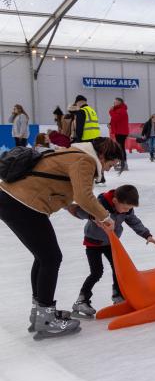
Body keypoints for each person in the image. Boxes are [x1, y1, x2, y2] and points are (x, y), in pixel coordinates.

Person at [0, 136, 122, 339]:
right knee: (51, 258)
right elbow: (84, 196)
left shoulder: (71, 153)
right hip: (23, 204)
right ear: (102, 155)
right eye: (111, 163)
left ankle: (40, 312)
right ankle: (45, 318)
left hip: (13, 200)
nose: (109, 169)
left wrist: (70, 206)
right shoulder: (85, 160)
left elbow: (50, 180)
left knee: (44, 257)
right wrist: (106, 217)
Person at [68, 184, 155, 318]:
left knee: (118, 269)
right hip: (94, 242)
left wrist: (147, 235)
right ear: (115, 201)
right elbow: (82, 211)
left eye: (129, 209)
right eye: (124, 208)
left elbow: (134, 221)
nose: (125, 211)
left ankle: (118, 296)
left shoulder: (125, 208)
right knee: (96, 272)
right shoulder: (99, 204)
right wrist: (94, 216)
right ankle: (81, 300)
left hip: (111, 242)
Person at [109, 97, 130, 172]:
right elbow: (115, 120)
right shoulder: (118, 110)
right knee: (120, 148)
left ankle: (124, 164)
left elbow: (116, 118)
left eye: (116, 102)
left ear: (120, 102)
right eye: (114, 102)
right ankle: (122, 163)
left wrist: (111, 111)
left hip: (121, 132)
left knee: (121, 148)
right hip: (119, 131)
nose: (114, 103)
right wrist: (111, 124)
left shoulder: (122, 110)